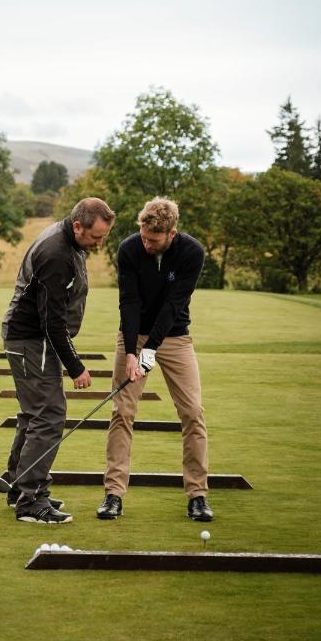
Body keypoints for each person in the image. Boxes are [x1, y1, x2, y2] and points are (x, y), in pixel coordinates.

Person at [97, 196, 213, 522]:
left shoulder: (192, 252)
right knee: (122, 411)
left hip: (175, 336)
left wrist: (148, 354)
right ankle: (113, 494)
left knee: (192, 412)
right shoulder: (129, 249)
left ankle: (198, 495)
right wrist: (133, 352)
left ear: (171, 233)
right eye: (144, 236)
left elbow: (173, 306)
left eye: (154, 240)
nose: (146, 244)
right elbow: (129, 302)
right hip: (132, 335)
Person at [1, 197, 115, 524]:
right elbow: (51, 322)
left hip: (32, 339)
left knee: (34, 414)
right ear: (78, 225)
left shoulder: (70, 241)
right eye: (95, 237)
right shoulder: (57, 254)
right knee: (49, 415)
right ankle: (31, 499)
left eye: (104, 237)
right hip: (31, 340)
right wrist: (76, 366)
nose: (99, 243)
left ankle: (17, 486)